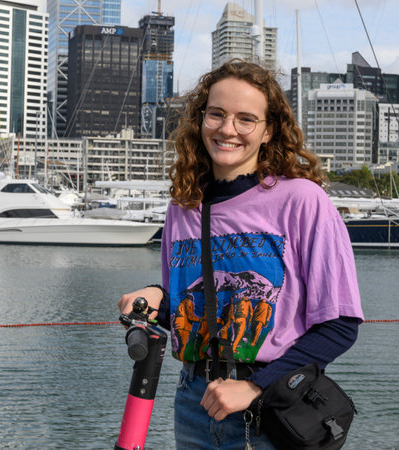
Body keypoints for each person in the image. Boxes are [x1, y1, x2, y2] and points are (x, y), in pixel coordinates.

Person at [118, 59, 364, 449]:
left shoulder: (301, 200)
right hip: (193, 403)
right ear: (200, 120)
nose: (228, 129)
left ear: (268, 131)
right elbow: (192, 310)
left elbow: (340, 325)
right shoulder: (184, 206)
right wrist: (154, 298)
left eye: (246, 119)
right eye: (216, 114)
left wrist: (253, 386)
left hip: (270, 409)